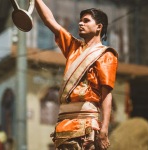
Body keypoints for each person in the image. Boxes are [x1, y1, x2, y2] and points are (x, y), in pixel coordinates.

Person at [35, 1, 118, 150]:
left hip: (86, 125)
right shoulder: (74, 48)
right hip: (63, 125)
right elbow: (49, 21)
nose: (80, 23)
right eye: (80, 20)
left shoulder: (106, 55)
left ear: (99, 27)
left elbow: (106, 94)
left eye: (86, 21)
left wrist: (104, 129)